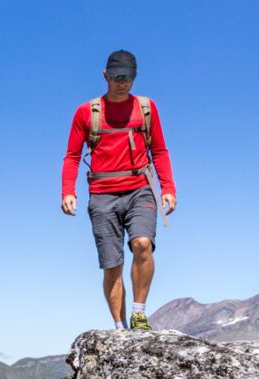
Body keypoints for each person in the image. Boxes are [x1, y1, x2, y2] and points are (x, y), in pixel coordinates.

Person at [60, 50, 176, 330]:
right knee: (112, 265)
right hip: (102, 194)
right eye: (116, 77)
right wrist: (68, 190)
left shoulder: (146, 109)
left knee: (142, 244)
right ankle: (120, 328)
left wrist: (167, 187)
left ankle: (138, 313)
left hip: (140, 188)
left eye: (128, 78)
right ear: (105, 76)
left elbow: (159, 151)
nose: (122, 83)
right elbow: (72, 155)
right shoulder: (86, 113)